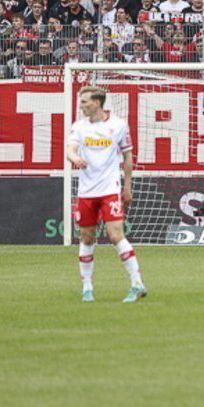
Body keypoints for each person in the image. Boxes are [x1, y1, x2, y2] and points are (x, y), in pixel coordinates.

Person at [66, 85, 146, 302]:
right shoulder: (79, 127)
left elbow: (128, 158)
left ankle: (137, 283)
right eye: (80, 102)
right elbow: (70, 150)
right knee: (86, 237)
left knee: (115, 235)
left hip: (110, 190)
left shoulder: (118, 125)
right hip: (86, 192)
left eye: (84, 102)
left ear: (97, 103)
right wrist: (75, 158)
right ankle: (87, 288)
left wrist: (127, 187)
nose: (81, 106)